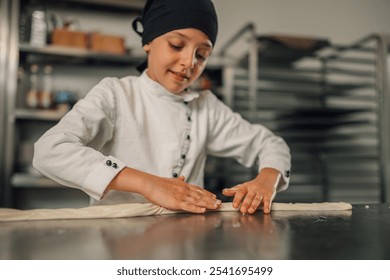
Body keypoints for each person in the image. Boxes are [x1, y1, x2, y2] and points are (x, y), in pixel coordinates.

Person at [33, 0, 291, 215]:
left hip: (185, 236)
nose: (189, 62)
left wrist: (267, 180)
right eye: (176, 45)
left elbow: (270, 143)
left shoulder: (206, 106)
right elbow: (49, 151)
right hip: (115, 239)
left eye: (201, 55)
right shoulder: (116, 94)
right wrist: (148, 184)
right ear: (148, 41)